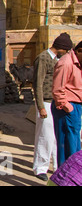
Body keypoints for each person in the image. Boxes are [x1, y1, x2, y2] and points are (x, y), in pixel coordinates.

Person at [31, 33, 72, 181]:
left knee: (55, 137)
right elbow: (38, 84)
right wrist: (40, 106)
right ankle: (40, 168)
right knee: (45, 136)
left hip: (55, 103)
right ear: (61, 48)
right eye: (66, 50)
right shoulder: (43, 58)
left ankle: (56, 167)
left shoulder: (57, 59)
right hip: (46, 102)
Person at [52, 40, 82, 168]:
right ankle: (64, 179)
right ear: (79, 51)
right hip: (67, 108)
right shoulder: (66, 63)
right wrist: (68, 108)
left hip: (76, 106)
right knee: (67, 148)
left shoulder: (78, 63)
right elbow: (58, 89)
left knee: (75, 147)